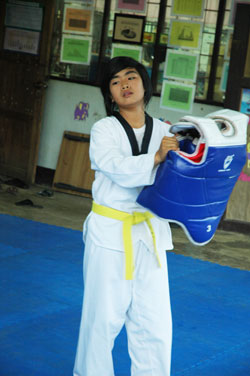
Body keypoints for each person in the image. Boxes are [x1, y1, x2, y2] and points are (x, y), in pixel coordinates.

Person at [73, 56, 179, 376]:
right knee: (102, 319)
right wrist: (157, 156)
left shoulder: (166, 130)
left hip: (150, 234)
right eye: (116, 81)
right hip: (111, 232)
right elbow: (116, 168)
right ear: (110, 94)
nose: (125, 85)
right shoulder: (103, 129)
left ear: (145, 84)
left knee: (155, 321)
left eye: (131, 77)